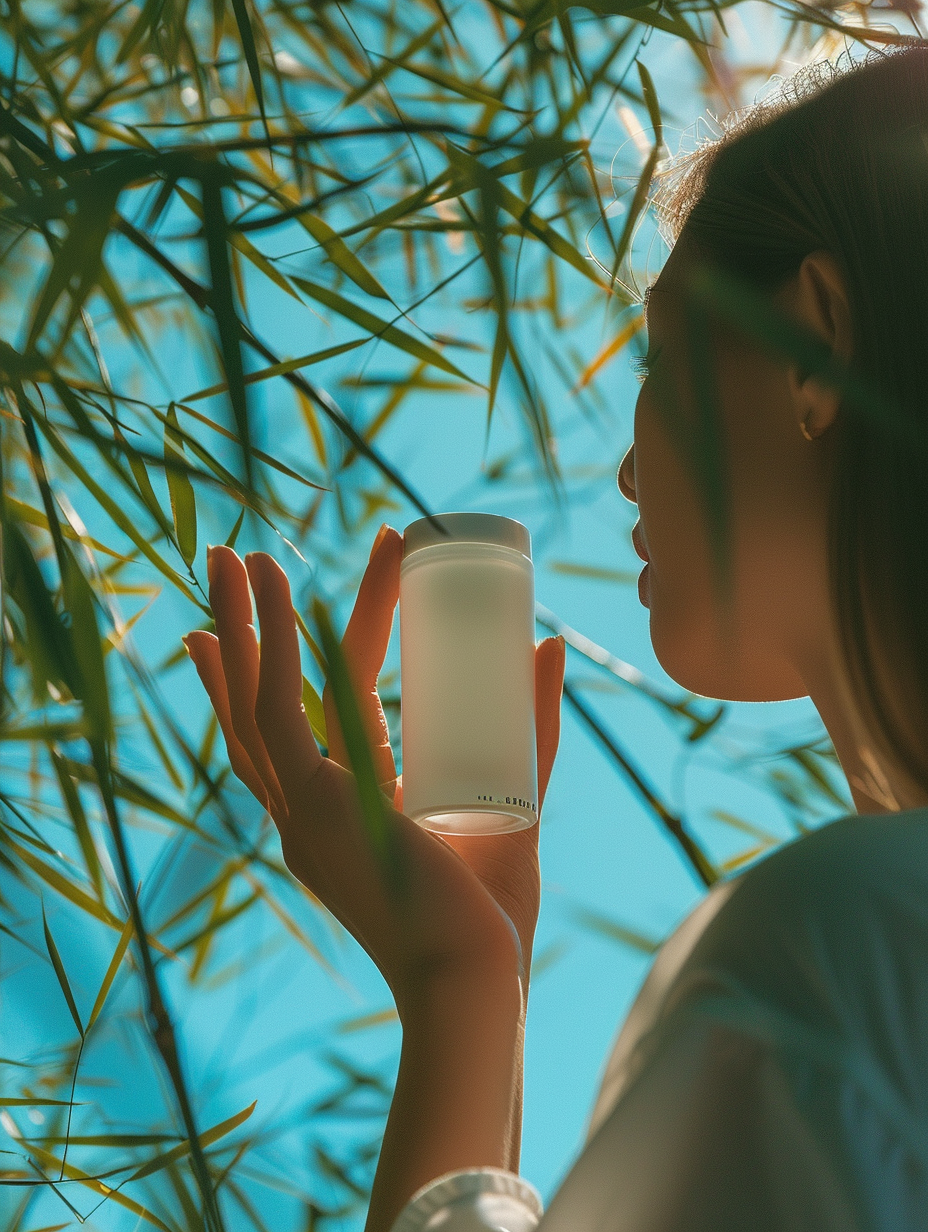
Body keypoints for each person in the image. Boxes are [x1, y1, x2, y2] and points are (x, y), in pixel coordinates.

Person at [183, 44, 928, 1232]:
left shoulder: (829, 963)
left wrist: (459, 984)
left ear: (815, 347)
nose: (630, 468)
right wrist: (481, 964)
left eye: (663, 350)